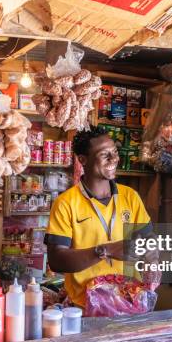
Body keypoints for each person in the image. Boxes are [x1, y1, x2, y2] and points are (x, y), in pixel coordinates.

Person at [45, 126, 156, 308]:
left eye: (115, 152)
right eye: (105, 155)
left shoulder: (130, 197)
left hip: (129, 300)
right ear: (83, 160)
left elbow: (149, 239)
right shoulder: (66, 203)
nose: (114, 159)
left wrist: (153, 262)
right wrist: (107, 250)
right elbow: (57, 260)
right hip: (85, 306)